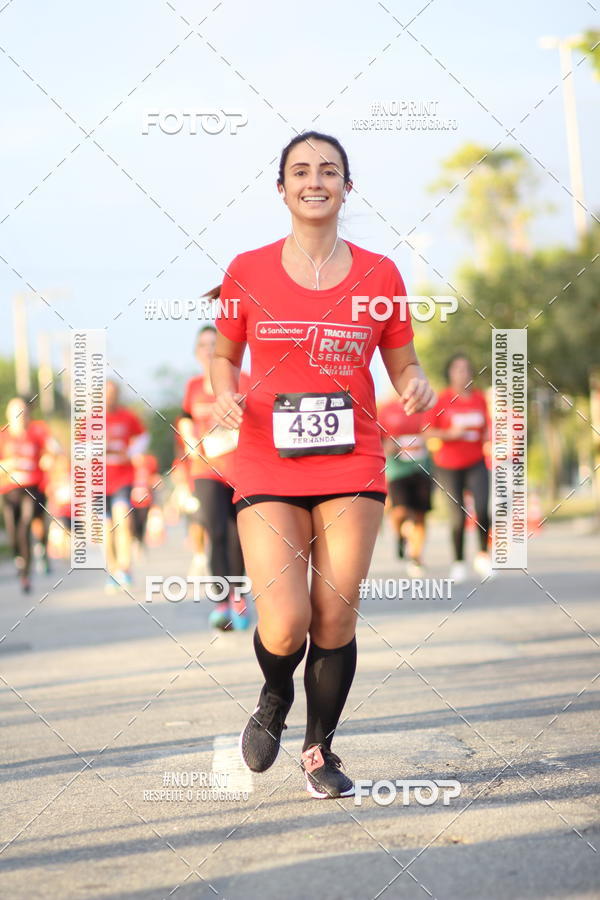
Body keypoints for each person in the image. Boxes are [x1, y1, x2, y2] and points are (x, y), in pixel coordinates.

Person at [210, 131, 435, 799]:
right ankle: (274, 695)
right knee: (283, 621)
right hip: (267, 461)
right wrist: (224, 390)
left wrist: (415, 385)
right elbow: (223, 354)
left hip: (352, 460)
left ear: (347, 186)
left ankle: (319, 749)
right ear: (281, 188)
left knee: (335, 613)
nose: (315, 179)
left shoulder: (380, 274)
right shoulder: (246, 270)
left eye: (329, 170)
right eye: (301, 170)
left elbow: (403, 362)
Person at [178, 323, 249, 631]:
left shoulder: (243, 380)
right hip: (206, 470)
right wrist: (186, 435)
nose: (209, 350)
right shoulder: (193, 385)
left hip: (241, 470)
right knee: (214, 532)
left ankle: (239, 599)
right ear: (197, 353)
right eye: (203, 346)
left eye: (214, 344)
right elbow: (184, 417)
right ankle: (222, 602)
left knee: (237, 538)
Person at [424, 353, 492, 582]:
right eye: (458, 369)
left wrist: (490, 436)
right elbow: (428, 432)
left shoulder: (480, 398)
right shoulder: (442, 400)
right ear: (450, 373)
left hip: (476, 461)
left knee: (482, 507)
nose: (463, 373)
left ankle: (483, 555)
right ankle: (459, 562)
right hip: (448, 464)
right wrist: (449, 434)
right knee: (457, 514)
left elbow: (486, 428)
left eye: (466, 369)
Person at [0, 398, 57, 592]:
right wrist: (9, 466)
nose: (20, 416)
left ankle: (26, 574)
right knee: (13, 531)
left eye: (23, 412)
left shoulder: (37, 432)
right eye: (16, 412)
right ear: (9, 415)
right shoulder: (3, 436)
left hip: (32, 488)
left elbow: (54, 451)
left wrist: (49, 458)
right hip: (9, 490)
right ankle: (20, 555)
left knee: (27, 524)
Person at [377, 392, 433, 577]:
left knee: (420, 514)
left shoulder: (423, 406)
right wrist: (386, 445)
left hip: (421, 465)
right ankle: (400, 536)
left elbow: (434, 430)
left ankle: (416, 558)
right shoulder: (386, 410)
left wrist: (429, 438)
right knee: (400, 511)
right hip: (397, 467)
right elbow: (377, 437)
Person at [104, 380, 149, 591]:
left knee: (123, 521)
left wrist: (130, 452)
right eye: (105, 393)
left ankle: (125, 568)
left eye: (112, 393)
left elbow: (143, 436)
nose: (109, 397)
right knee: (106, 528)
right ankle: (112, 570)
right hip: (98, 482)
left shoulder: (127, 416)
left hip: (122, 478)